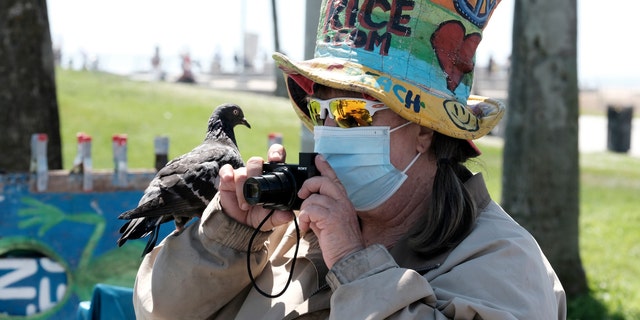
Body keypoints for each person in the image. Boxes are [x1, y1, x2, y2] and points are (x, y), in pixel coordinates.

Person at [132, 0, 567, 319]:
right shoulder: (286, 234)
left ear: (424, 131)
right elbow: (160, 311)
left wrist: (354, 268)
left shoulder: (503, 261)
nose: (327, 136)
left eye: (352, 113)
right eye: (319, 113)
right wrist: (226, 240)